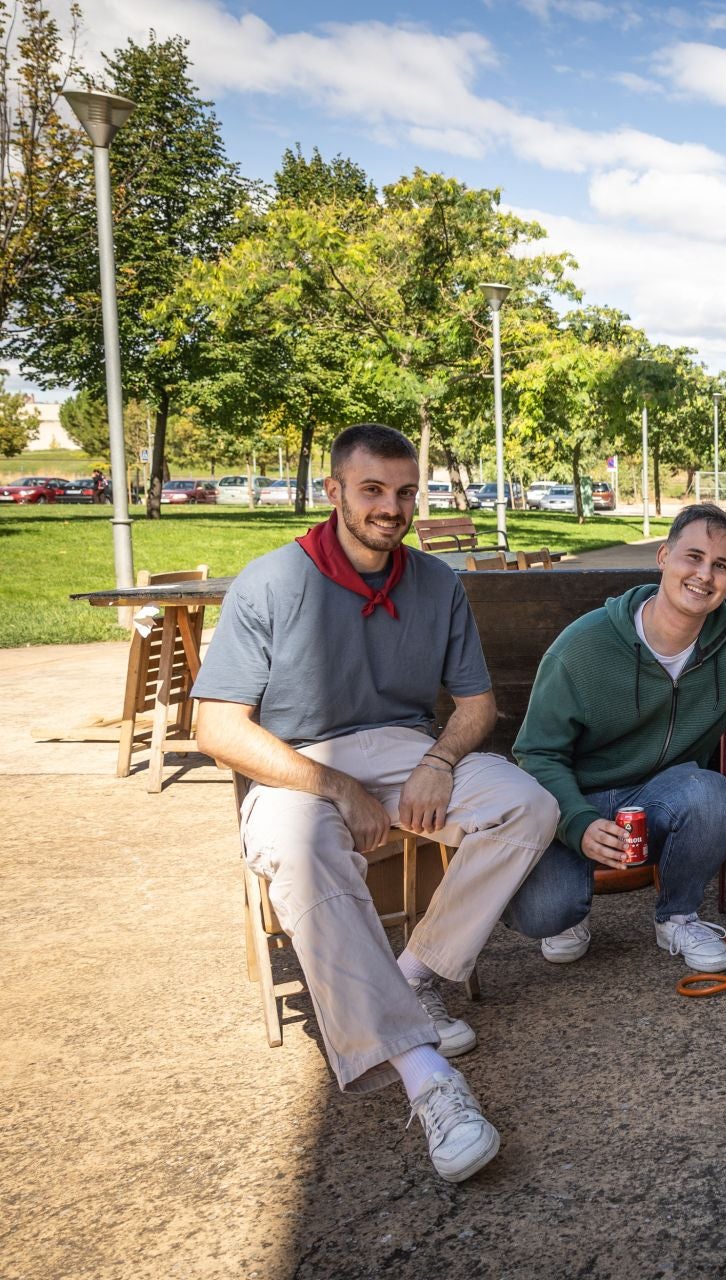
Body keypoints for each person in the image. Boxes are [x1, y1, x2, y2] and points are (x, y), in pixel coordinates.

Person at [193, 423, 560, 1184]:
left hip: (404, 748)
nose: (390, 509)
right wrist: (335, 787)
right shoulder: (270, 582)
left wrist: (439, 759)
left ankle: (413, 976)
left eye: (403, 492)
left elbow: (476, 704)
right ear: (334, 492)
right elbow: (215, 727)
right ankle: (428, 1078)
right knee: (301, 852)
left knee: (528, 805)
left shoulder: (435, 581)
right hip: (298, 762)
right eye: (372, 491)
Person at [506, 503, 726, 974]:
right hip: (575, 795)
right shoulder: (583, 646)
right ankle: (570, 915)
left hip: (658, 794)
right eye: (693, 557)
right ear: (664, 556)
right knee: (543, 914)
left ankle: (677, 916)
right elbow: (537, 753)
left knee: (715, 797)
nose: (704, 575)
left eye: (721, 565)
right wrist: (578, 822)